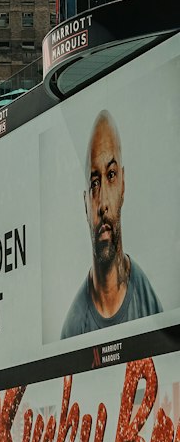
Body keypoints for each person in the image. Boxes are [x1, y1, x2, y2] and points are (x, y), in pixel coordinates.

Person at [61, 110, 162, 338]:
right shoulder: (72, 329)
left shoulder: (149, 304)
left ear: (123, 186)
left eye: (111, 175)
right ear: (86, 204)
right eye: (94, 183)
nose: (103, 203)